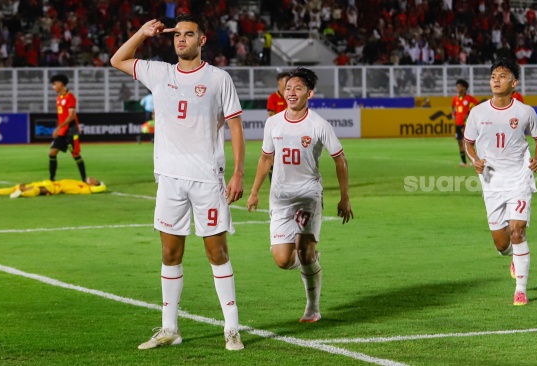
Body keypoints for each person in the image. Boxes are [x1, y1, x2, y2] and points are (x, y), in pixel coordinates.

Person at [110, 15, 246, 351]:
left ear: (202, 40)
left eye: (189, 35)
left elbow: (236, 127)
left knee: (217, 253)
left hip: (206, 180)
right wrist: (142, 32)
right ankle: (169, 328)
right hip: (169, 180)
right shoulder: (159, 73)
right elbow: (117, 60)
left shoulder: (218, 78)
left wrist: (239, 172)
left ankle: (232, 328)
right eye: (177, 35)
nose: (181, 39)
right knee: (170, 253)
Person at [246, 68, 354, 323]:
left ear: (309, 93)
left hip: (308, 195)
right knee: (283, 260)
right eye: (288, 88)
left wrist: (344, 196)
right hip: (280, 197)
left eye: (297, 88)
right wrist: (253, 192)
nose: (291, 93)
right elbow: (265, 158)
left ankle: (312, 307)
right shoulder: (273, 122)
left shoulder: (318, 124)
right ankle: (312, 261)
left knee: (304, 252)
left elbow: (340, 159)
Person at [464, 58, 537, 306]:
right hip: (491, 180)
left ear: (514, 82)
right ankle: (512, 255)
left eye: (502, 76)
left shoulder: (524, 111)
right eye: (493, 76)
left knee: (517, 231)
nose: (496, 80)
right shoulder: (477, 112)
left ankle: (520, 289)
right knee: (502, 243)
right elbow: (468, 143)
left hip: (519, 178)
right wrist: (475, 160)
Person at [49, 74, 87, 182]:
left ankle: (84, 180)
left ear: (61, 84)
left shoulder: (70, 97)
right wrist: (60, 128)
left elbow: (71, 116)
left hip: (71, 130)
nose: (53, 87)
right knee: (52, 153)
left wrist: (58, 127)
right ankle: (52, 180)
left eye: (54, 84)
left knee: (75, 154)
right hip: (62, 131)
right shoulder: (59, 98)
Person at [0, 177, 106, 198]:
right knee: (19, 186)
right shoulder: (82, 183)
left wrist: (101, 185)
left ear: (94, 184)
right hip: (48, 183)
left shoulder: (86, 189)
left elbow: (101, 188)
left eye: (95, 180)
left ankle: (22, 194)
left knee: (37, 191)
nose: (92, 178)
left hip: (54, 188)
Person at [266, 72, 289, 180]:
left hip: (291, 132)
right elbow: (270, 115)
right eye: (285, 80)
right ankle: (273, 183)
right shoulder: (273, 98)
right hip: (278, 132)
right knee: (273, 159)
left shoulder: (292, 97)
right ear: (279, 82)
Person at [451, 79, 478, 167]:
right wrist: (453, 114)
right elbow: (452, 107)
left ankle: (473, 160)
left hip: (466, 124)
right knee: (460, 143)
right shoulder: (455, 98)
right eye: (457, 86)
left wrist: (469, 114)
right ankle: (464, 162)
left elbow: (478, 106)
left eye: (459, 86)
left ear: (464, 88)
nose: (458, 88)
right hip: (458, 124)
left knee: (468, 143)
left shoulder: (469, 98)